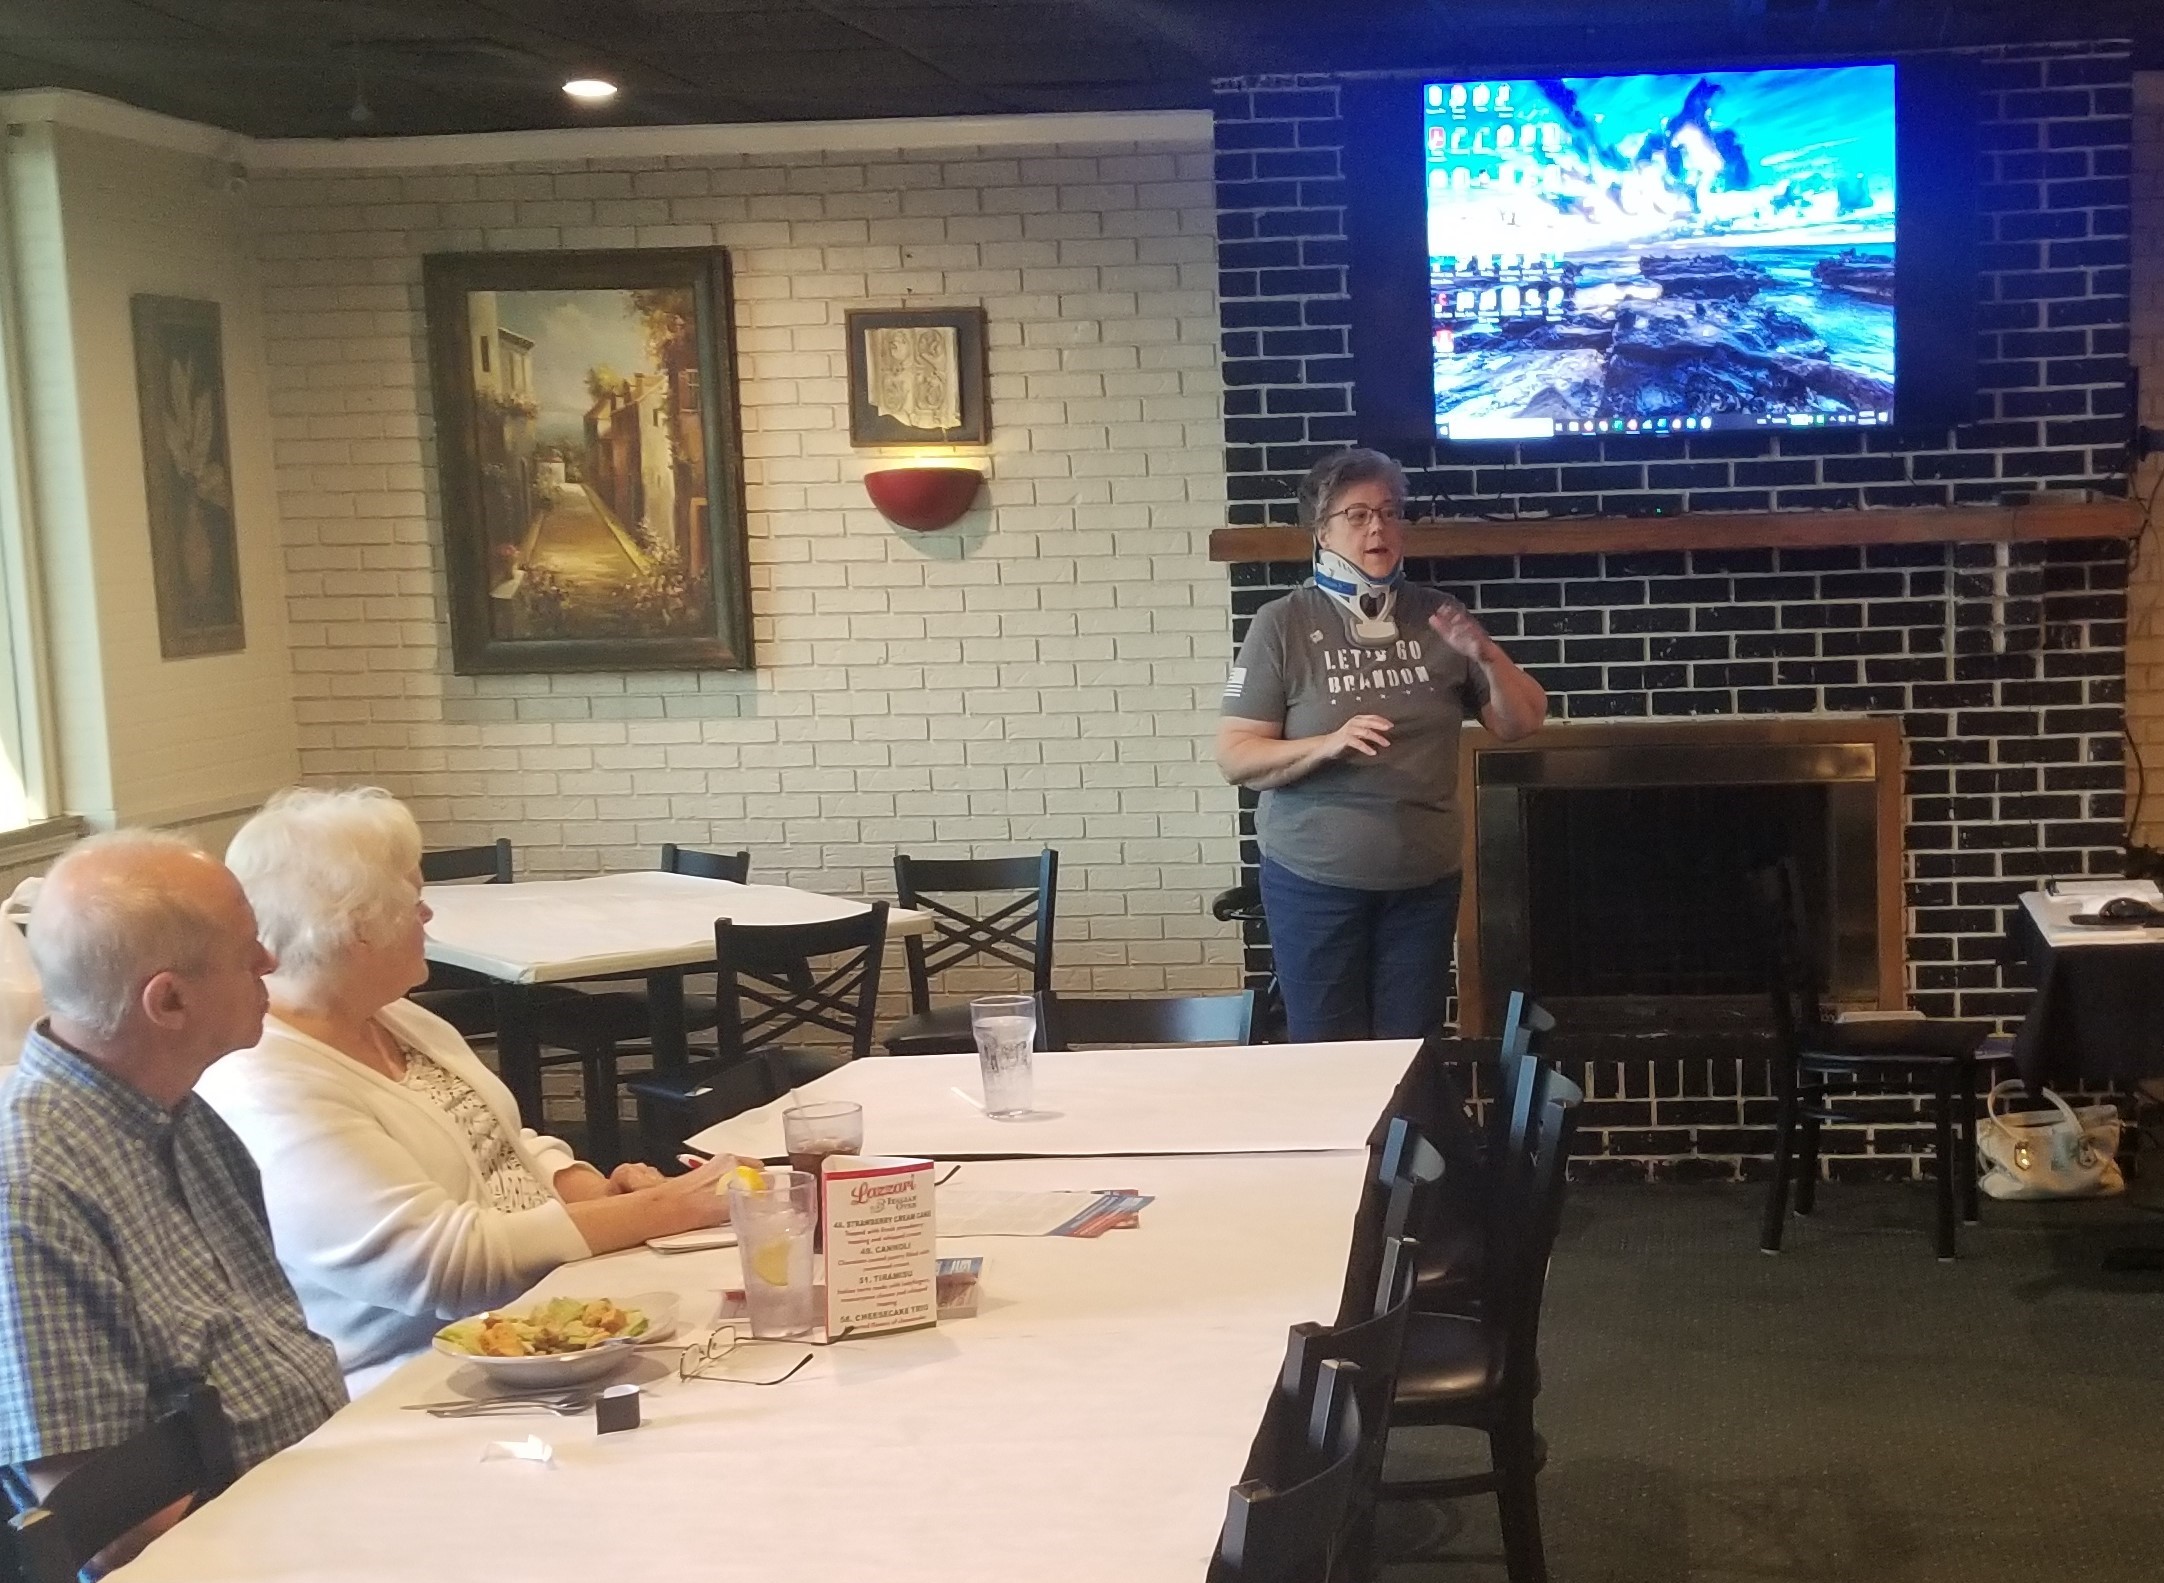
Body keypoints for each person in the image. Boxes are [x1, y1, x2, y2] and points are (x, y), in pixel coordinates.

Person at [195, 787, 746, 1394]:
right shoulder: (265, 1082)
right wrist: (661, 1209)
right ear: (357, 928)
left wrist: (591, 1188)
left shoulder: (399, 1018)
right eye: (414, 897)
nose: (427, 916)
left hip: (544, 1331)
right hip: (421, 1384)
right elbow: (437, 1267)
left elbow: (504, 1140)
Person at [0, 831, 347, 1574]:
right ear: (171, 1000)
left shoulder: (173, 1109)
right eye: (245, 948)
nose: (269, 962)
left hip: (321, 1491)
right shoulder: (29, 1190)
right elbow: (101, 1525)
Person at [1217, 448, 1547, 1041]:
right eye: (1359, 514)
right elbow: (1236, 756)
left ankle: (1406, 1138)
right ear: (1321, 532)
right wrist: (1327, 745)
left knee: (1409, 1049)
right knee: (1326, 1052)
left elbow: (1520, 723)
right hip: (1314, 881)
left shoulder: (1439, 616)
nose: (1379, 528)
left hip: (1423, 883)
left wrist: (1488, 656)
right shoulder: (1281, 623)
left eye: (1391, 513)